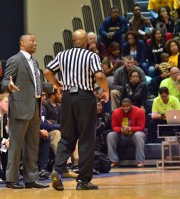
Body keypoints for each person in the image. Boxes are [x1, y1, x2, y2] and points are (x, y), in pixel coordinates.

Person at [44, 29, 109, 191]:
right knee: (86, 138)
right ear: (86, 41)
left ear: (72, 40)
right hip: (84, 97)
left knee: (67, 137)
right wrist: (106, 90)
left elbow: (47, 71)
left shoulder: (62, 55)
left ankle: (57, 170)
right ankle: (83, 181)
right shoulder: (91, 55)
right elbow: (100, 76)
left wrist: (58, 85)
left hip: (67, 98)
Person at [2, 33, 49, 189]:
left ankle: (31, 179)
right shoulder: (15, 60)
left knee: (32, 145)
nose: (35, 43)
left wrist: (57, 86)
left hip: (35, 107)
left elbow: (39, 84)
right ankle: (11, 179)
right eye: (32, 41)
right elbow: (4, 81)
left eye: (36, 40)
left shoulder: (34, 62)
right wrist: (9, 86)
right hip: (20, 108)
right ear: (22, 43)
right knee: (16, 145)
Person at [107, 98, 146, 168]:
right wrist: (121, 130)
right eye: (123, 106)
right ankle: (113, 160)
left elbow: (141, 127)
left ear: (131, 105)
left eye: (127, 106)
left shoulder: (139, 112)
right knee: (110, 135)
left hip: (134, 135)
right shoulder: (116, 112)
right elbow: (114, 127)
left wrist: (130, 128)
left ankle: (140, 161)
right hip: (122, 135)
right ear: (121, 106)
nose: (125, 108)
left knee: (139, 135)